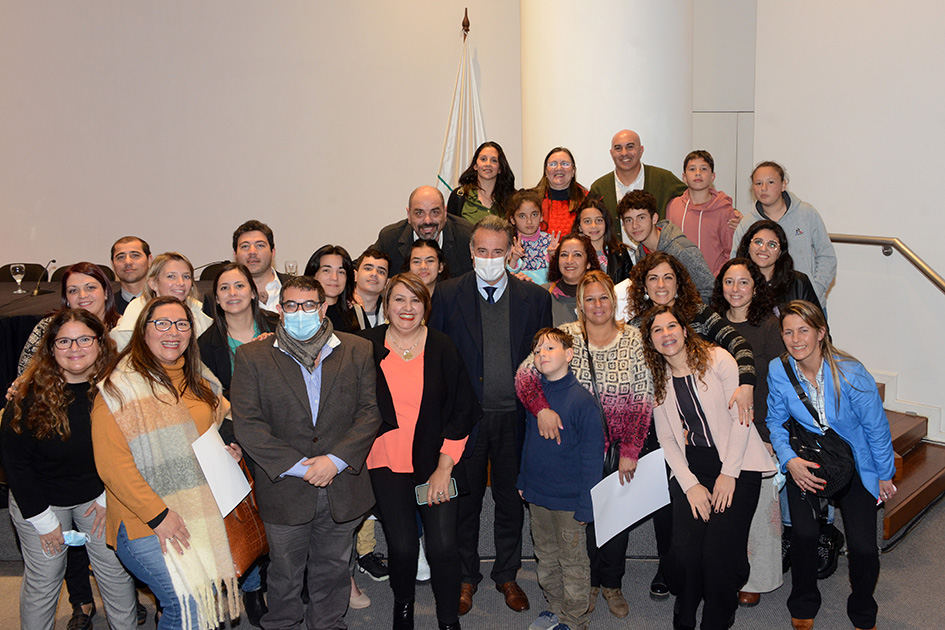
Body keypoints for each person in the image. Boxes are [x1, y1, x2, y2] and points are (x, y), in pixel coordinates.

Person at [231, 275, 383, 630]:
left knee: (333, 568)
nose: (300, 312)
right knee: (284, 573)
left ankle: (327, 624)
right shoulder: (253, 356)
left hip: (341, 483)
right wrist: (301, 468)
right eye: (292, 305)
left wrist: (334, 461)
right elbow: (249, 425)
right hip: (284, 487)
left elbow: (369, 412)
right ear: (280, 311)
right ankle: (281, 624)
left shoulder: (357, 349)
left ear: (324, 306)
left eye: (309, 305)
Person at [429, 215, 552, 616]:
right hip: (468, 419)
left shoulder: (534, 298)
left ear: (511, 250)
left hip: (515, 418)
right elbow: (439, 360)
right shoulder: (447, 295)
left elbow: (543, 362)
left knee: (509, 500)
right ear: (470, 251)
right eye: (482, 251)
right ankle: (466, 577)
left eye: (498, 251)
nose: (489, 258)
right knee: (465, 501)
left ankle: (507, 574)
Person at [92, 297, 240, 629]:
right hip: (143, 519)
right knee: (186, 603)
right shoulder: (119, 390)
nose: (172, 332)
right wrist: (159, 517)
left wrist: (230, 447)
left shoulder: (199, 381)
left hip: (199, 510)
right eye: (162, 323)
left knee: (196, 602)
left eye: (182, 324)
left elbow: (223, 416)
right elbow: (113, 467)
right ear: (143, 331)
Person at [515, 270, 653, 619]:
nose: (597, 305)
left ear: (613, 300)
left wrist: (631, 450)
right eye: (589, 299)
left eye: (603, 297)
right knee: (580, 529)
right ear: (579, 305)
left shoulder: (634, 338)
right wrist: (540, 408)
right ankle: (588, 586)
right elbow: (523, 377)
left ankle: (612, 584)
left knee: (616, 524)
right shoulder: (566, 337)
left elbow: (643, 396)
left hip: (619, 449)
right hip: (575, 449)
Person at [359, 273, 481, 630]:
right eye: (398, 300)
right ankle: (404, 606)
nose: (407, 308)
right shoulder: (365, 345)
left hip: (436, 462)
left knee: (443, 547)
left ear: (425, 307)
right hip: (384, 461)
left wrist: (445, 468)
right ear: (386, 305)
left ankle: (447, 620)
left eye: (415, 300)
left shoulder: (442, 347)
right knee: (403, 548)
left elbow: (462, 410)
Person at [642, 304, 774, 630]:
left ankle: (718, 616)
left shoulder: (719, 360)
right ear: (651, 341)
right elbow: (668, 440)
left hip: (738, 464)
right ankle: (684, 612)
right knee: (685, 555)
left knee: (717, 555)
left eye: (672, 326)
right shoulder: (658, 379)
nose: (666, 334)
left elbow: (741, 421)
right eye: (657, 330)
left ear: (685, 330)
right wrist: (689, 484)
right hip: (693, 466)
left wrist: (729, 474)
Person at [3, 309, 136, 630]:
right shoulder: (26, 395)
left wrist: (108, 498)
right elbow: (16, 466)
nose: (74, 348)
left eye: (84, 339)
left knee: (114, 571)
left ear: (100, 344)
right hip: (39, 499)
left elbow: (131, 449)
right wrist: (44, 521)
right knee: (44, 577)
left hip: (100, 495)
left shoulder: (119, 390)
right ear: (50, 348)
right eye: (64, 341)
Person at [766, 300, 896, 630]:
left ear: (821, 332)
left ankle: (863, 607)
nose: (796, 339)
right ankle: (804, 600)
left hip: (854, 461)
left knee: (865, 549)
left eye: (804, 331)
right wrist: (790, 460)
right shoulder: (779, 370)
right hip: (806, 459)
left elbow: (876, 428)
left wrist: (884, 475)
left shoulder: (851, 373)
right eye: (789, 332)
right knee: (804, 536)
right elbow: (775, 422)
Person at [518, 327, 604, 630]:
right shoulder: (536, 398)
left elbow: (593, 460)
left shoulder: (582, 402)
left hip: (570, 502)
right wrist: (522, 480)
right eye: (537, 350)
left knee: (573, 563)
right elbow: (529, 440)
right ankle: (554, 608)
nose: (542, 354)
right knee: (546, 557)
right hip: (539, 496)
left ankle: (574, 618)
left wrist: (587, 505)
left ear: (568, 355)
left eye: (550, 349)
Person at [711, 258, 784, 606]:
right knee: (725, 505)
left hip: (758, 426)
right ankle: (724, 568)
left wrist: (771, 433)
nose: (735, 289)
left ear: (756, 287)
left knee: (757, 510)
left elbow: (779, 385)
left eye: (743, 282)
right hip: (716, 428)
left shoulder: (770, 327)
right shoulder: (710, 326)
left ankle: (755, 578)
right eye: (729, 282)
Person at [731, 162, 837, 305]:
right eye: (758, 183)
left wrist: (814, 290)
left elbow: (827, 256)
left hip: (806, 304)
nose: (764, 188)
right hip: (762, 307)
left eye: (770, 182)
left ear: (783, 185)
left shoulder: (806, 213)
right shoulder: (747, 223)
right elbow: (737, 263)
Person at [18, 262, 121, 375]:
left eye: (90, 288)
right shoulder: (47, 326)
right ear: (66, 298)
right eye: (73, 290)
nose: (82, 295)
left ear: (105, 292)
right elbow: (25, 373)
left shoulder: (123, 328)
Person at [617, 189, 716, 302]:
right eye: (629, 220)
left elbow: (711, 292)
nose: (635, 225)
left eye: (641, 218)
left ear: (654, 218)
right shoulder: (641, 252)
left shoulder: (682, 250)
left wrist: (684, 314)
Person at [110, 252, 213, 351]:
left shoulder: (198, 309)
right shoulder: (136, 310)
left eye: (186, 277)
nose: (181, 283)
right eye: (171, 276)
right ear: (153, 283)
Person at [588, 129, 686, 225]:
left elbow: (693, 198)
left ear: (641, 150)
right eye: (618, 148)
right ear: (611, 153)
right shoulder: (599, 188)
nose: (624, 153)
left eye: (630, 147)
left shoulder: (664, 179)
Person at [373, 185, 475, 277]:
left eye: (434, 212)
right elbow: (361, 267)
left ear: (445, 212)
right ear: (409, 215)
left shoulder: (466, 236)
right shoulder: (390, 238)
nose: (427, 220)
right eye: (419, 213)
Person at [666, 150, 739, 277]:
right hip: (679, 284)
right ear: (684, 177)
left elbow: (731, 251)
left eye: (703, 169)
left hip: (712, 284)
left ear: (712, 176)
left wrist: (716, 279)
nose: (698, 173)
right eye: (692, 169)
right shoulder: (673, 206)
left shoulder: (724, 210)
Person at [735, 220, 823, 315]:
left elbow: (818, 325)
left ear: (780, 252)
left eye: (772, 244)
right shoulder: (733, 282)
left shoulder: (799, 283)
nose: (763, 249)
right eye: (758, 242)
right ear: (748, 246)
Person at [446, 141, 516, 223]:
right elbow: (451, 231)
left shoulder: (511, 199)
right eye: (483, 159)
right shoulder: (459, 196)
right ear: (475, 166)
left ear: (500, 169)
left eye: (494, 160)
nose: (488, 164)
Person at [543, 234, 601, 327]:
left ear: (588, 263)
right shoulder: (543, 294)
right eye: (564, 255)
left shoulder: (601, 295)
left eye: (577, 255)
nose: (569, 261)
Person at [304, 244, 365, 333]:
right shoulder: (300, 314)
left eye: (341, 272)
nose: (334, 277)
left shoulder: (355, 312)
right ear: (313, 275)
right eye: (326, 270)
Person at [571, 196, 633, 283]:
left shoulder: (620, 252)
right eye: (587, 221)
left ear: (606, 223)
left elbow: (630, 285)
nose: (594, 226)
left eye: (599, 220)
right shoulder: (572, 254)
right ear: (579, 227)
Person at [233, 219, 288, 313]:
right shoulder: (226, 296)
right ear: (235, 254)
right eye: (245, 246)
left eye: (260, 245)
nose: (252, 252)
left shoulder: (295, 286)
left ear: (273, 252)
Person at [506, 189, 556, 285]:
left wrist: (553, 258)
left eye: (534, 215)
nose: (529, 221)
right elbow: (506, 277)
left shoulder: (550, 241)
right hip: (519, 293)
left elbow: (557, 276)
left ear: (541, 216)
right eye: (522, 216)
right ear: (512, 219)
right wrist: (514, 259)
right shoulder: (508, 243)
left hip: (546, 292)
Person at [534, 147, 587, 236]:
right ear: (546, 171)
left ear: (573, 171)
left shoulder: (587, 200)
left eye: (565, 164)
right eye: (553, 164)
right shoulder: (530, 199)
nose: (559, 168)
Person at [111, 236, 153, 315]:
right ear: (113, 264)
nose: (128, 262)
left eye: (135, 255)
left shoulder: (163, 302)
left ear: (149, 260)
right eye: (120, 257)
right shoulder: (106, 306)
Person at [353, 248, 391, 328]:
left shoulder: (392, 316)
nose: (374, 274)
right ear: (355, 275)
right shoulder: (340, 310)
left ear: (387, 283)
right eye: (368, 268)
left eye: (381, 272)